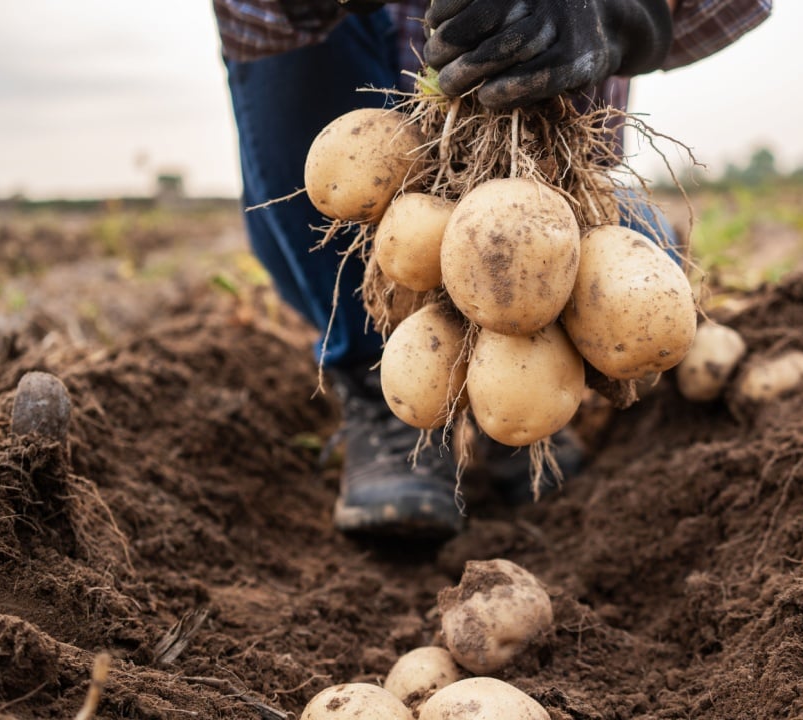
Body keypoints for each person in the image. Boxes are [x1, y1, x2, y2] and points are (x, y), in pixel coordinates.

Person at [213, 0, 771, 539]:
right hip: (391, 147)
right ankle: (369, 374)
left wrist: (616, 10)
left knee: (641, 268)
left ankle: (507, 390)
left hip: (559, 186)